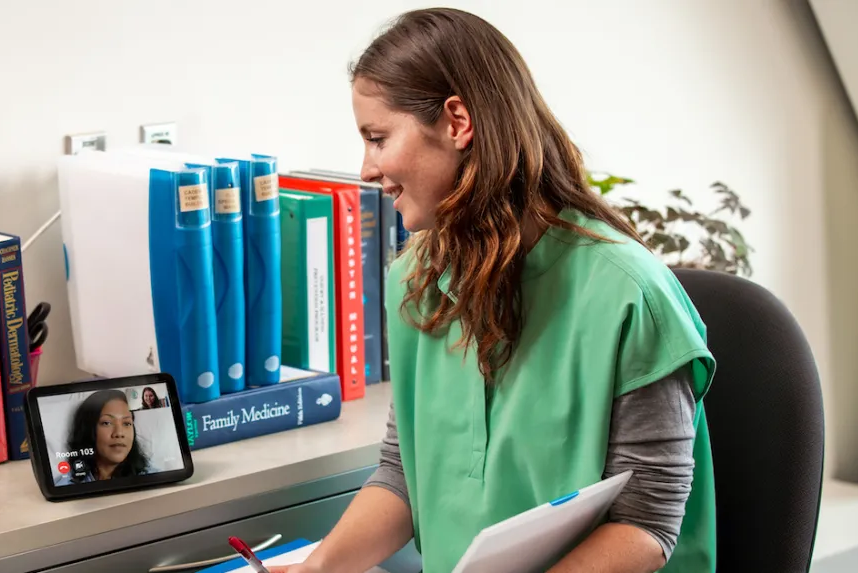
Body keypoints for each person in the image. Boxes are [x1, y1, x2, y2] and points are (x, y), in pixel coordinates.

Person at [270, 8, 716, 573]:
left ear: (457, 122)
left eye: (378, 139)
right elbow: (405, 474)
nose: (366, 169)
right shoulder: (416, 282)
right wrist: (318, 568)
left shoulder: (630, 296)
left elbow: (646, 524)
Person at [55, 389, 153, 485]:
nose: (119, 433)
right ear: (89, 429)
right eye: (107, 423)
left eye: (126, 423)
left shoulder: (152, 478)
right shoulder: (64, 485)